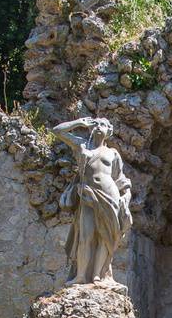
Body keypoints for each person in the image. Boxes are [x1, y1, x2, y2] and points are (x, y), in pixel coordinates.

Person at [54, 116, 132, 287]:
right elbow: (57, 131)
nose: (98, 127)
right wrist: (79, 122)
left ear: (109, 131)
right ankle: (81, 275)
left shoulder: (113, 153)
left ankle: (98, 275)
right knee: (85, 235)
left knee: (105, 237)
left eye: (103, 124)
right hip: (87, 195)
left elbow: (120, 179)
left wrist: (126, 196)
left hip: (109, 195)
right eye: (95, 124)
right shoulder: (81, 145)